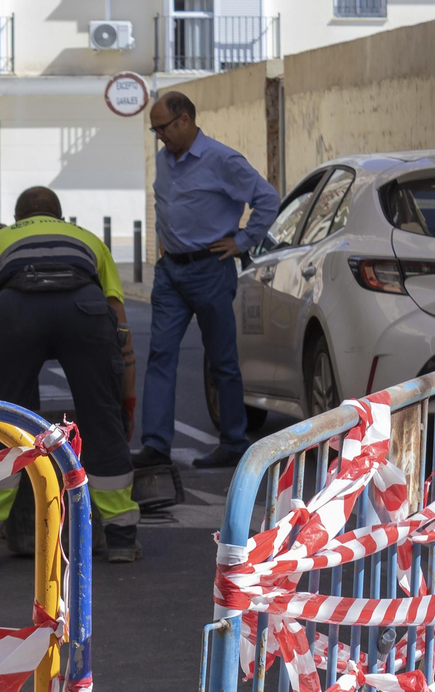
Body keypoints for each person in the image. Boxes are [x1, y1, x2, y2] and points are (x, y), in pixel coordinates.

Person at [0, 186, 141, 567]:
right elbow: (120, 327)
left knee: (6, 422)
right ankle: (122, 538)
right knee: (101, 420)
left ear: (17, 218)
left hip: (16, 311)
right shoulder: (88, 239)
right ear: (59, 218)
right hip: (84, 309)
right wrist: (123, 402)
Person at [140, 90, 279, 469]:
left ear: (185, 119)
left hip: (210, 269)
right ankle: (155, 445)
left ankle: (233, 442)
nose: (159, 137)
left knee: (222, 360)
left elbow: (267, 199)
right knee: (160, 355)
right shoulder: (164, 160)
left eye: (163, 128)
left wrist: (243, 241)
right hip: (170, 271)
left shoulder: (222, 159)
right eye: (155, 131)